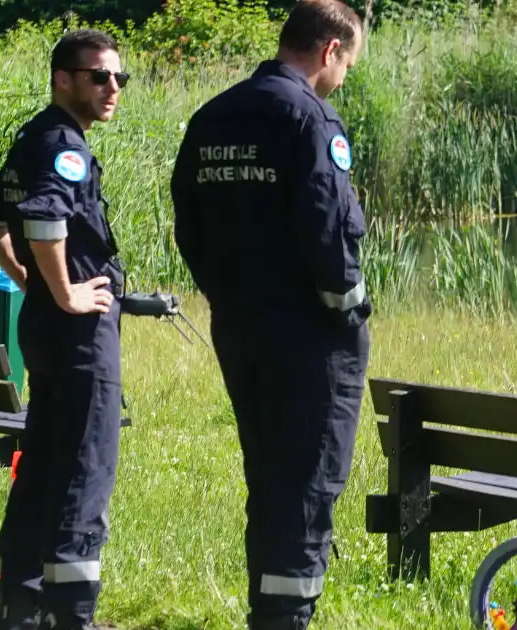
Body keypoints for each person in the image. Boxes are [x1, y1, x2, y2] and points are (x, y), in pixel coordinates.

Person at [169, 1, 371, 628]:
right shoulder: (310, 120)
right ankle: (288, 619)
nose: (343, 79)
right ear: (329, 50)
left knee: (268, 478)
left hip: (240, 328)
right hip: (309, 339)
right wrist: (352, 306)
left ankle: (267, 613)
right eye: (348, 65)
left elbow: (189, 226)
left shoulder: (213, 115)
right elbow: (328, 229)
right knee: (307, 486)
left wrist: (227, 296)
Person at [0, 28, 130, 630]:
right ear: (64, 80)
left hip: (47, 326)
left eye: (119, 77)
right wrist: (62, 291)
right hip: (79, 335)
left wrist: (31, 281)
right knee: (85, 464)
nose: (112, 87)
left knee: (42, 460)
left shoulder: (32, 137)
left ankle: (21, 598)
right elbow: (41, 217)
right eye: (99, 76)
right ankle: (71, 613)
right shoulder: (63, 145)